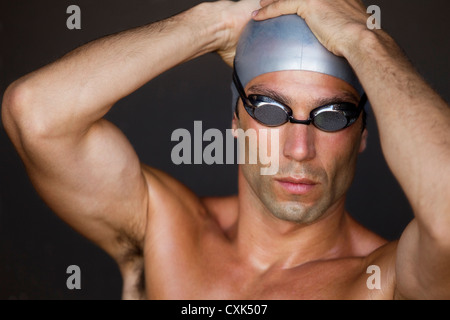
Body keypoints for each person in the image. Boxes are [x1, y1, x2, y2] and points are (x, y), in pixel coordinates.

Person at [1, 0, 449, 300]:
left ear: (364, 131)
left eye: (331, 115)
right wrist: (210, 25)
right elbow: (36, 114)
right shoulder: (164, 230)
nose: (298, 148)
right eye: (271, 110)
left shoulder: (384, 284)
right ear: (236, 120)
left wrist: (365, 41)